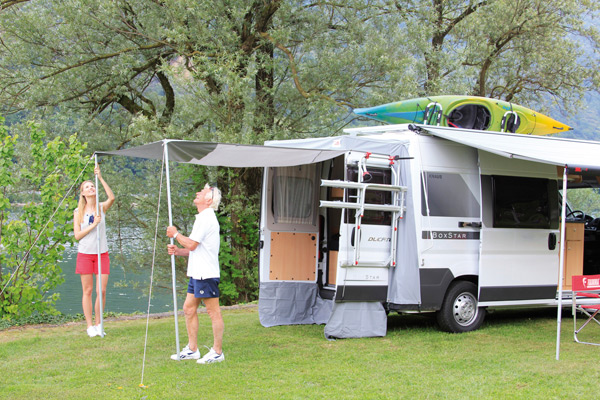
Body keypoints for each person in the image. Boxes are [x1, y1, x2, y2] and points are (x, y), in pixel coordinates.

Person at [167, 184, 224, 364]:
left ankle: (217, 352)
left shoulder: (206, 218)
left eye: (203, 191)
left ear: (209, 199)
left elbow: (191, 244)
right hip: (197, 273)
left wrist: (176, 234)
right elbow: (196, 248)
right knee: (189, 309)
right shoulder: (202, 218)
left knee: (213, 312)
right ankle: (192, 349)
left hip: (206, 274)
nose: (198, 192)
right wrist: (178, 251)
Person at [73, 165, 115, 337]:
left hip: (101, 254)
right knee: (88, 290)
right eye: (87, 187)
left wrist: (100, 178)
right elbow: (77, 235)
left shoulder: (101, 207)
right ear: (83, 193)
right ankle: (89, 326)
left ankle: (99, 323)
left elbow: (112, 197)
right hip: (85, 254)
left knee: (101, 290)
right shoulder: (78, 212)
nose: (91, 188)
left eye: (92, 186)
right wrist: (93, 225)